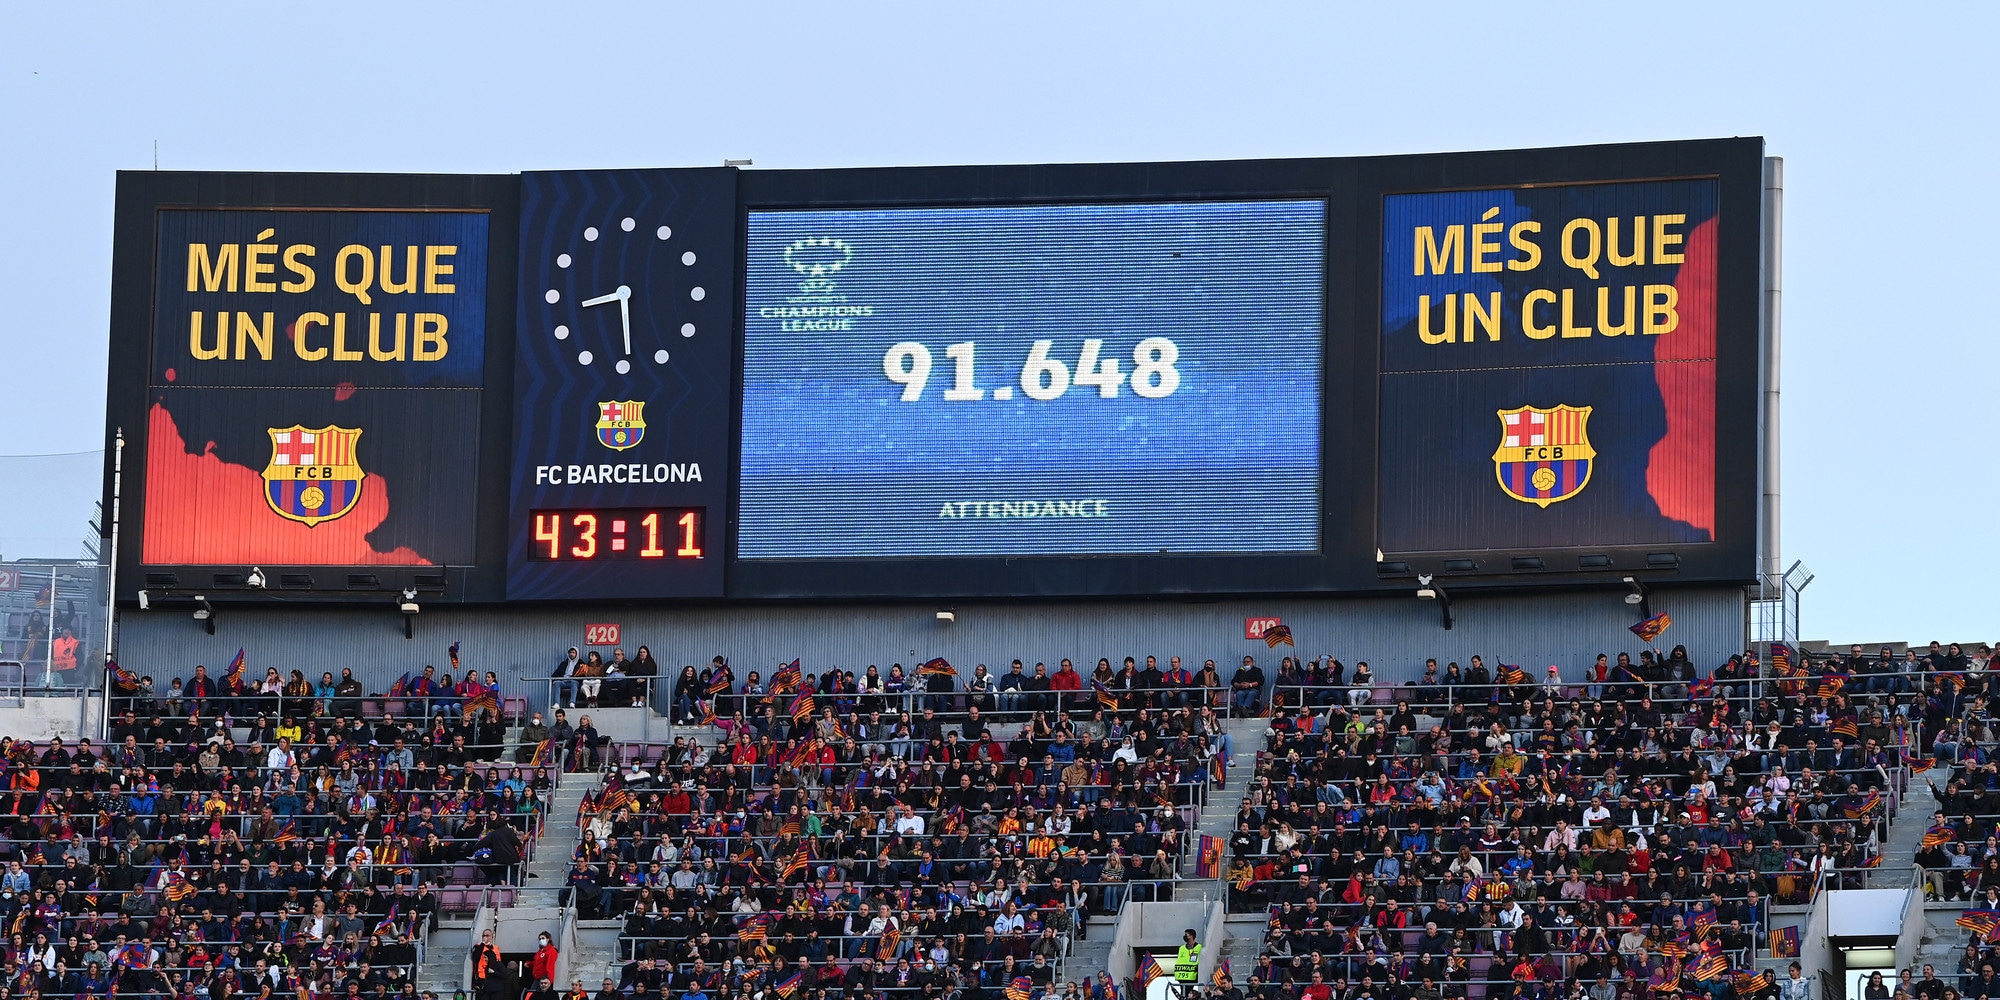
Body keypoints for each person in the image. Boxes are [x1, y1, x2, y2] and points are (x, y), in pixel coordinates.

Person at [469, 930, 502, 1000]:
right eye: (484, 935)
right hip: (482, 977)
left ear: (491, 937)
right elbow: (476, 956)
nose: (485, 937)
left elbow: (498, 962)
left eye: (487, 936)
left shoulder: (496, 948)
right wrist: (483, 943)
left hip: (493, 976)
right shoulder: (478, 946)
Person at [1173, 928, 1202, 998]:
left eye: (1186, 935)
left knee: (1188, 993)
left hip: (1192, 975)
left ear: (1191, 936)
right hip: (1182, 976)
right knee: (1183, 993)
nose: (1185, 936)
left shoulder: (1199, 947)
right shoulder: (1181, 948)